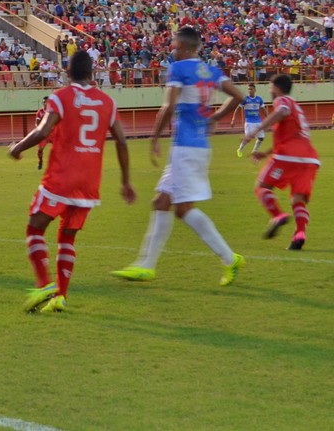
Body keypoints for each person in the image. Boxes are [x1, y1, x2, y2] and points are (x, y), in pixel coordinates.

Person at [111, 27, 246, 286]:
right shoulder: (210, 71)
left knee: (183, 210)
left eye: (174, 46)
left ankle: (229, 258)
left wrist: (153, 138)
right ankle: (146, 266)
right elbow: (238, 97)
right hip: (197, 147)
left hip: (186, 147)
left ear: (183, 47)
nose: (172, 50)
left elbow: (168, 105)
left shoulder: (178, 69)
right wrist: (215, 117)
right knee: (161, 202)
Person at [9, 51, 136, 312]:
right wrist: (126, 182)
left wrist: (18, 148)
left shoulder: (61, 97)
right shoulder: (108, 102)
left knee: (35, 228)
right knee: (67, 237)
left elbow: (44, 131)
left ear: (68, 72)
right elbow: (122, 141)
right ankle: (61, 296)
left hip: (61, 178)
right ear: (93, 73)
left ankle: (45, 283)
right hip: (89, 184)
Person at [243, 75, 320, 251]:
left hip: (288, 157)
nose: (269, 90)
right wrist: (266, 152)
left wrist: (256, 129)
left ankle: (278, 215)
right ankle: (299, 235)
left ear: (277, 88)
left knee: (262, 186)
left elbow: (282, 112)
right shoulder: (296, 106)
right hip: (309, 158)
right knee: (298, 199)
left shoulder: (282, 100)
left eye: (270, 86)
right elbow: (292, 136)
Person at [231, 83, 266, 157]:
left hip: (258, 121)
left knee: (261, 138)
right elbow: (237, 109)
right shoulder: (245, 99)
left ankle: (254, 151)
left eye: (251, 89)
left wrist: (269, 118)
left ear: (255, 90)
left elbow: (263, 109)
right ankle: (240, 149)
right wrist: (233, 119)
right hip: (249, 122)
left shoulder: (259, 99)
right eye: (248, 89)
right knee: (248, 139)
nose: (250, 91)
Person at [34, 96, 52, 170]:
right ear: (43, 103)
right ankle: (40, 161)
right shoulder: (40, 112)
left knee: (60, 148)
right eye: (44, 102)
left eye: (47, 102)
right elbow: (37, 123)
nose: (46, 103)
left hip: (53, 133)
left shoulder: (53, 111)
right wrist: (39, 129)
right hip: (44, 133)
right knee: (40, 149)